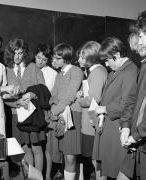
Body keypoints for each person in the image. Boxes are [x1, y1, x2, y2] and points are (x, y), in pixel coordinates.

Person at [92, 37, 138, 179]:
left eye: (107, 60)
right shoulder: (115, 72)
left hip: (117, 127)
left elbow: (127, 103)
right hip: (107, 126)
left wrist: (104, 109)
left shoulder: (130, 71)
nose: (106, 64)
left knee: (115, 169)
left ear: (117, 55)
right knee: (100, 165)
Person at [3, 38, 46, 173]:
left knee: (36, 148)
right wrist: (16, 103)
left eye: (20, 53)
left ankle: (39, 177)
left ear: (25, 53)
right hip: (16, 115)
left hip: (33, 114)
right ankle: (30, 176)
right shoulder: (6, 69)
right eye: (14, 53)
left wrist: (32, 95)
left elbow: (43, 89)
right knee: (25, 148)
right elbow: (3, 96)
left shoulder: (32, 67)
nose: (16, 56)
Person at [117, 11, 146, 180]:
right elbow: (134, 98)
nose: (139, 41)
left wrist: (135, 135)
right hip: (137, 141)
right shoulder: (143, 66)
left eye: (142, 36)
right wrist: (126, 124)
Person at [50, 43, 83, 180]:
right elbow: (53, 95)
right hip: (59, 115)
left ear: (66, 58)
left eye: (58, 58)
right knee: (65, 155)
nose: (54, 61)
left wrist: (55, 110)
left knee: (70, 156)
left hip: (72, 116)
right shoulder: (59, 75)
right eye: (54, 57)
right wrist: (52, 106)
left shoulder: (76, 71)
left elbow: (69, 96)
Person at [76, 41, 108, 180]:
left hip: (91, 124)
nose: (79, 60)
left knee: (97, 161)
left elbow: (93, 100)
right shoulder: (95, 71)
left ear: (91, 57)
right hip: (89, 124)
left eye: (82, 57)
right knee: (93, 160)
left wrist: (79, 100)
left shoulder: (97, 72)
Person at [35, 43, 61, 180]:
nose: (40, 61)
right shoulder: (30, 69)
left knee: (47, 148)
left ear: (48, 60)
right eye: (38, 58)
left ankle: (48, 175)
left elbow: (51, 96)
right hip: (32, 114)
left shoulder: (52, 74)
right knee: (36, 146)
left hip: (46, 113)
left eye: (44, 59)